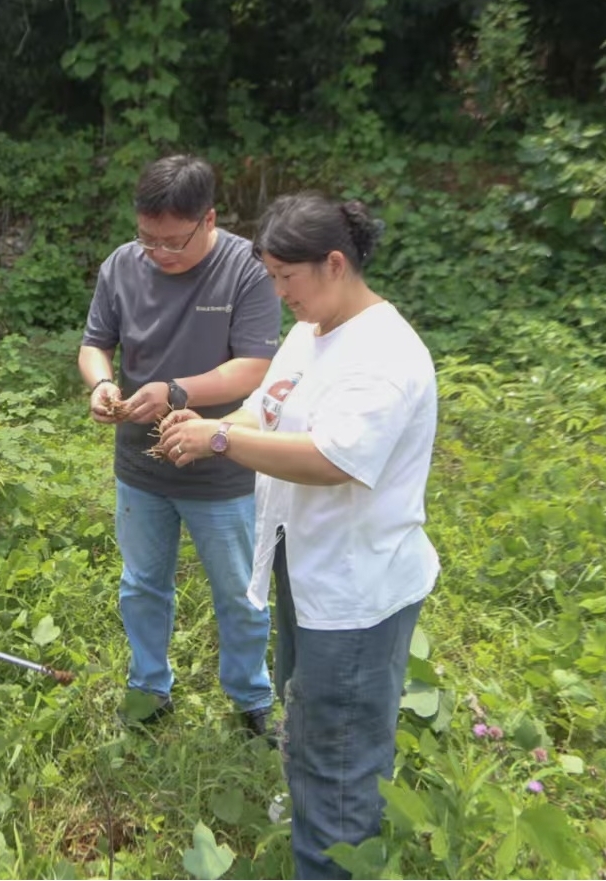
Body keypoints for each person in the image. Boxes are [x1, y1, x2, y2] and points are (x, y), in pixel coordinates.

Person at [158, 193, 439, 880]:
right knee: (307, 710)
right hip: (305, 563)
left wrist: (220, 440)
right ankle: (314, 811)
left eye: (287, 277)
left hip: (356, 586)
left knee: (340, 745)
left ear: (334, 263)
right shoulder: (313, 330)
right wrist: (211, 424)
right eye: (271, 276)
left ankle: (331, 854)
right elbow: (267, 407)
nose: (278, 292)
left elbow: (334, 459)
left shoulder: (382, 353)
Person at [78, 155, 280, 731]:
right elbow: (95, 344)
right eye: (148, 238)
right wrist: (102, 383)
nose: (158, 252)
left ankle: (251, 698)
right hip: (141, 468)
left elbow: (254, 367)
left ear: (208, 219)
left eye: (172, 241)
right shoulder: (122, 265)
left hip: (224, 463)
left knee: (239, 592)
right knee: (142, 584)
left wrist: (175, 391)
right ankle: (149, 689)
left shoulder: (247, 269)